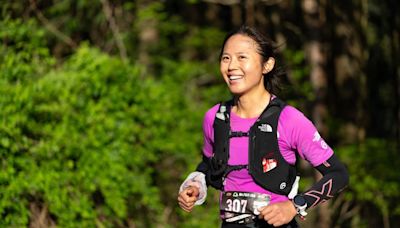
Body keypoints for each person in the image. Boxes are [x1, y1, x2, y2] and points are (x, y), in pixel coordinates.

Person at [177, 25, 349, 228]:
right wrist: (195, 186)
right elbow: (207, 165)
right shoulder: (215, 117)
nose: (232, 66)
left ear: (266, 65)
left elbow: (338, 174)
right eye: (226, 58)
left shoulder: (289, 119)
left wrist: (295, 205)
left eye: (242, 57)